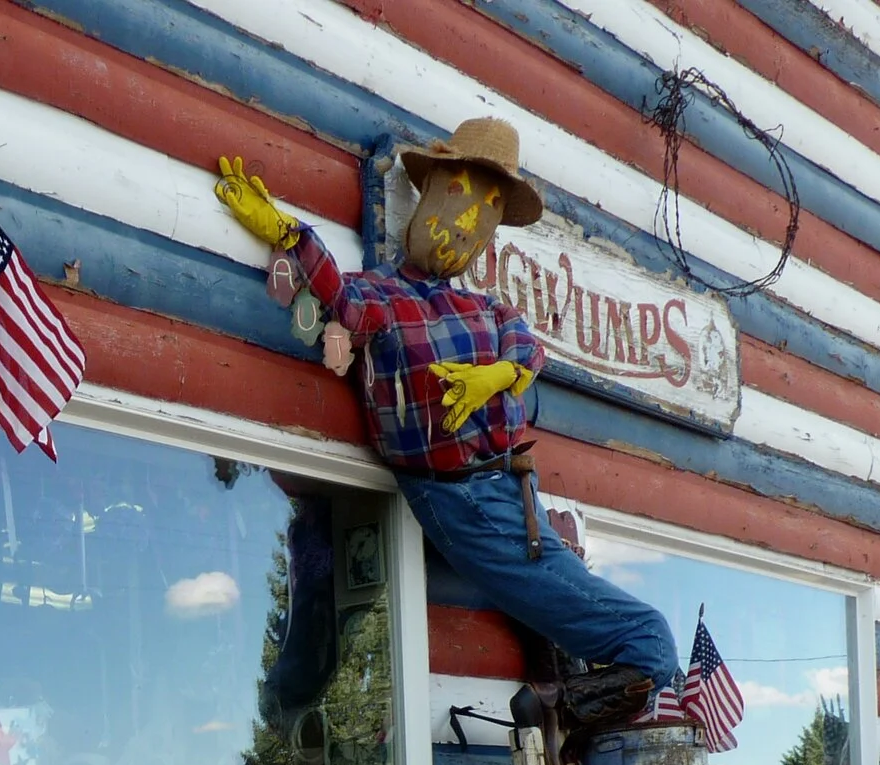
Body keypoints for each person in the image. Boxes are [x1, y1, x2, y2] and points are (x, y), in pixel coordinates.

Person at [216, 118, 678, 727]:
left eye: (487, 210)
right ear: (431, 190)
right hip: (465, 499)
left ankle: (554, 704)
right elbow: (339, 296)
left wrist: (497, 377)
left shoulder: (487, 308)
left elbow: (527, 351)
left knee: (641, 641)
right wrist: (286, 230)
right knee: (651, 641)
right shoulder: (380, 298)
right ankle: (547, 708)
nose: (465, 223)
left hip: (517, 495)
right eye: (461, 195)